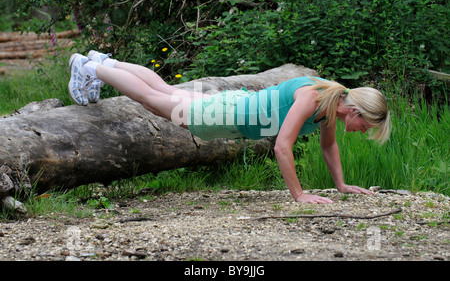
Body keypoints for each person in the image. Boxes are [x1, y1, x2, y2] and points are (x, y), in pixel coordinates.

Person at [68, 51, 391, 204]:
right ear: (355, 110)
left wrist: (342, 185)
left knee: (164, 92)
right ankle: (90, 67)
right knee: (153, 100)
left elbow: (327, 146)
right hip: (224, 116)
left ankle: (106, 64)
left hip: (232, 109)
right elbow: (282, 145)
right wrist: (299, 195)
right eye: (367, 125)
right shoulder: (314, 98)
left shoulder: (330, 100)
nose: (364, 131)